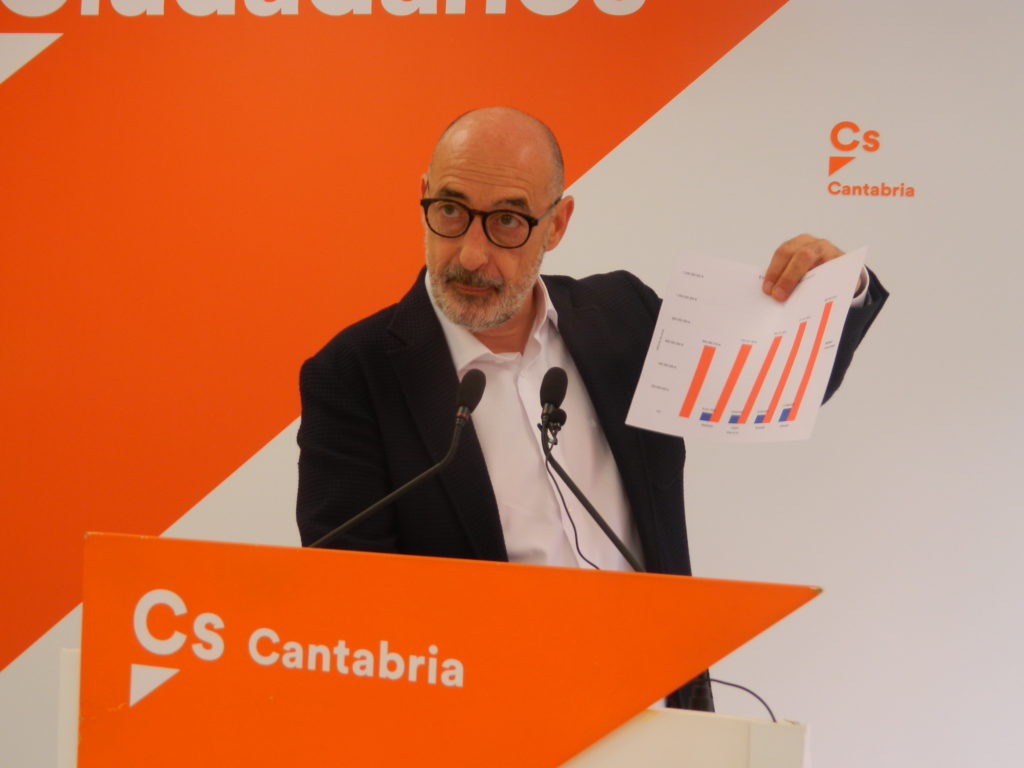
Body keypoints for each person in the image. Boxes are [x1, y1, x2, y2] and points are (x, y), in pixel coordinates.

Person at [296, 106, 887, 709]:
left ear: (557, 224)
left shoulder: (621, 316)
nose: (471, 254)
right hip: (490, 723)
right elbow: (350, 597)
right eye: (450, 210)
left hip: (663, 714)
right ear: (423, 196)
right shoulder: (353, 374)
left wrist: (834, 290)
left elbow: (774, 387)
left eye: (507, 221)